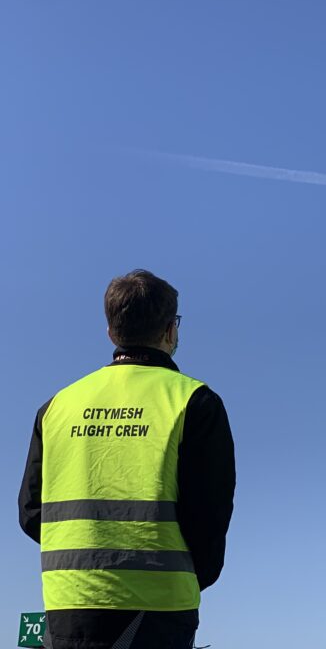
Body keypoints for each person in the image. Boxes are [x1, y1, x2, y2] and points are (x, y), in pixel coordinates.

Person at [19, 269, 236, 649]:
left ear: (111, 332)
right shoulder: (194, 402)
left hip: (68, 604)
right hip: (160, 608)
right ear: (171, 330)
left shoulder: (55, 408)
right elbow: (210, 514)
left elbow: (31, 513)